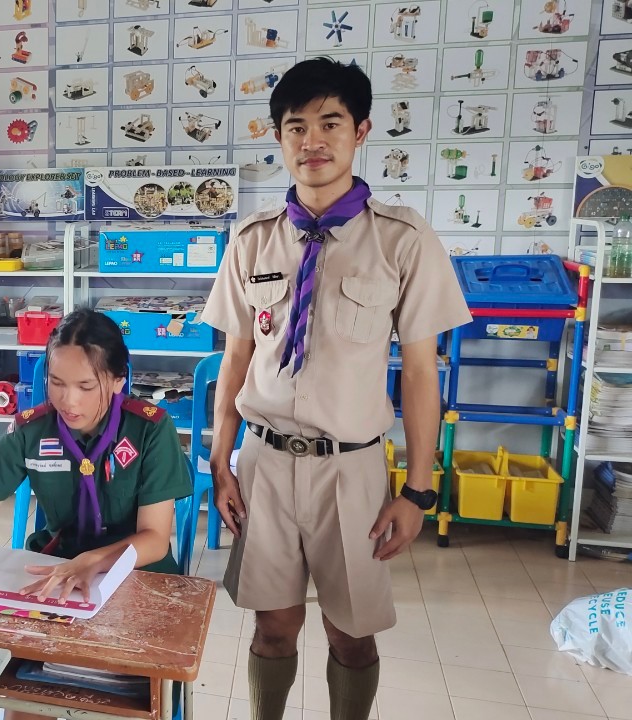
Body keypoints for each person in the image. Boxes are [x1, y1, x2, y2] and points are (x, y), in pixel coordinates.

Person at [200, 57, 471, 720]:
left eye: (330, 123)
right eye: (296, 126)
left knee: (352, 634)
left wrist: (418, 490)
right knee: (273, 626)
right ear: (279, 138)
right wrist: (219, 460)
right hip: (263, 464)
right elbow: (235, 359)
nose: (312, 140)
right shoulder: (251, 240)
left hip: (351, 470)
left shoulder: (402, 240)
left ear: (361, 131)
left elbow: (421, 373)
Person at [0, 308, 191, 599]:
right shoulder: (30, 431)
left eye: (86, 386)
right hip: (59, 567)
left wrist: (92, 561)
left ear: (118, 380)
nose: (68, 401)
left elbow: (154, 539)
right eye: (56, 383)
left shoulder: (149, 429)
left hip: (138, 572)